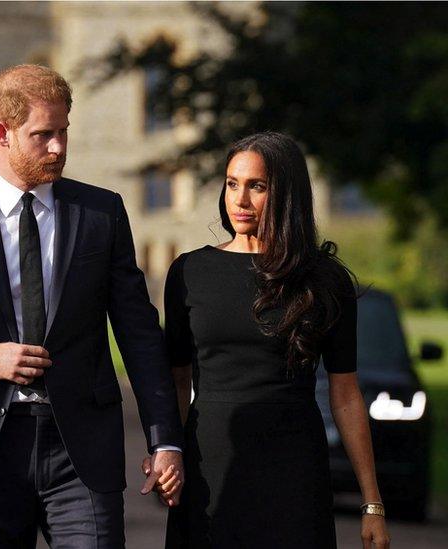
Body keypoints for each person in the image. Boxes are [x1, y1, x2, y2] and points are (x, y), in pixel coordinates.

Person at [0, 64, 185, 548]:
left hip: (81, 452)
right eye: (43, 135)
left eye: (63, 132)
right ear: (2, 133)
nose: (59, 147)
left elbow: (139, 333)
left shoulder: (102, 213)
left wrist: (164, 439)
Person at [162, 132, 390, 548]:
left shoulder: (324, 280)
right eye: (232, 183)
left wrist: (371, 502)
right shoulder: (189, 272)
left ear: (286, 193)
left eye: (257, 186)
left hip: (293, 470)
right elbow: (176, 380)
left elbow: (344, 394)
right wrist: (168, 453)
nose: (240, 200)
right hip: (209, 465)